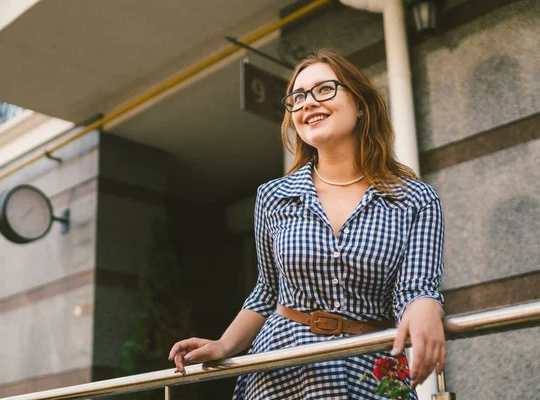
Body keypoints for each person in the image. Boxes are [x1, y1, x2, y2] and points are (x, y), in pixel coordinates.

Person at [169, 49, 446, 399]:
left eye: (324, 90)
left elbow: (416, 288)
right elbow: (268, 291)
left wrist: (426, 311)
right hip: (282, 368)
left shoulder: (415, 199)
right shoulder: (274, 196)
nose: (307, 103)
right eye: (298, 97)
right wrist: (224, 345)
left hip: (369, 372)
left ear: (360, 104)